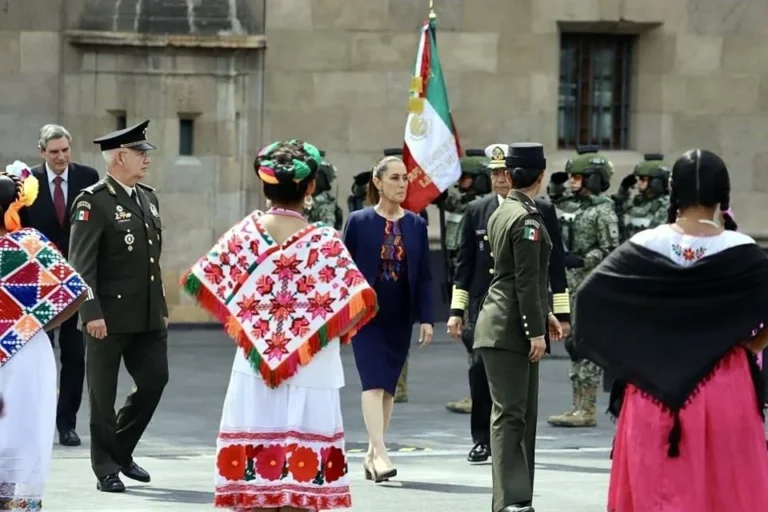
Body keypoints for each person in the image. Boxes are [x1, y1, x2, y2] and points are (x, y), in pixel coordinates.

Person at [182, 139, 377, 511]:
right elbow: (357, 303)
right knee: (306, 484)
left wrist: (259, 323)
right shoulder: (325, 243)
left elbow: (207, 280)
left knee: (255, 479)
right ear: (310, 187)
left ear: (265, 186)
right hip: (313, 368)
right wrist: (312, 328)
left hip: (254, 367)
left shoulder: (243, 236)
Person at [573, 149, 768, 512]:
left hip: (651, 391)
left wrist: (633, 352)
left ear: (674, 191)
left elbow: (588, 299)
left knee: (656, 490)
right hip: (726, 386)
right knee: (723, 491)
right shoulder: (743, 252)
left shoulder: (644, 245)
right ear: (722, 194)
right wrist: (756, 343)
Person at [448, 143, 569, 464]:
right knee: (479, 373)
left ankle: (515, 443)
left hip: (525, 305)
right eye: (494, 173)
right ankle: (481, 440)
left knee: (519, 381)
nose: (499, 178)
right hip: (483, 304)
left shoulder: (541, 210)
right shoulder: (478, 209)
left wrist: (561, 310)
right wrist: (456, 310)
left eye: (504, 172)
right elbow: (464, 264)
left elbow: (552, 265)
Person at [69, 120, 169, 493]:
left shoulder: (148, 197)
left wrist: (160, 306)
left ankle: (121, 449)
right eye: (140, 153)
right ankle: (106, 467)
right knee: (103, 398)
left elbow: (152, 262)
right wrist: (90, 313)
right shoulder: (93, 201)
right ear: (120, 157)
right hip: (106, 318)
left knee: (154, 380)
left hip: (145, 315)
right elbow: (81, 265)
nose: (146, 160)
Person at [473, 143, 563, 512]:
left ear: (509, 175)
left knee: (519, 414)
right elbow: (525, 279)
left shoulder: (506, 209)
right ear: (540, 177)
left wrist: (546, 314)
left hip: (503, 320)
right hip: (509, 325)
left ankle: (517, 496)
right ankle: (509, 500)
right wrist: (536, 330)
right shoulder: (527, 218)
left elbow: (518, 275)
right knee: (511, 415)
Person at [0, 167, 88, 509]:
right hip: (28, 352)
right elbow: (76, 292)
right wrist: (33, 323)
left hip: (22, 351)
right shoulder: (31, 244)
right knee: (25, 432)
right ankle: (20, 503)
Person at [343, 155, 434, 482]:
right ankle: (381, 452)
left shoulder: (416, 224)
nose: (401, 184)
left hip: (400, 315)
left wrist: (426, 318)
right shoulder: (359, 221)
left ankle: (370, 455)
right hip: (366, 316)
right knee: (372, 381)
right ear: (378, 182)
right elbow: (345, 271)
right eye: (394, 178)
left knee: (389, 387)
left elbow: (424, 275)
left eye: (404, 179)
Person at [18, 124, 99, 447]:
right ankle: (35, 421)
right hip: (39, 286)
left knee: (75, 355)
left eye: (65, 150)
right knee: (38, 356)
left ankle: (67, 423)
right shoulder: (26, 184)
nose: (61, 156)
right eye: (54, 152)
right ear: (42, 153)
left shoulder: (88, 178)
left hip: (76, 284)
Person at [547, 149, 620, 428]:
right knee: (572, 345)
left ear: (593, 178)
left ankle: (587, 408)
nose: (572, 182)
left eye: (578, 177)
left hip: (591, 285)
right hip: (568, 284)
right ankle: (575, 405)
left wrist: (583, 259)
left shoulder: (604, 211)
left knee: (586, 346)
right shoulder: (571, 206)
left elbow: (611, 250)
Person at [613, 153, 670, 241]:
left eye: (643, 179)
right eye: (638, 179)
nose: (638, 183)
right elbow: (620, 211)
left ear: (656, 182)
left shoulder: (666, 204)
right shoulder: (638, 201)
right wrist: (623, 190)